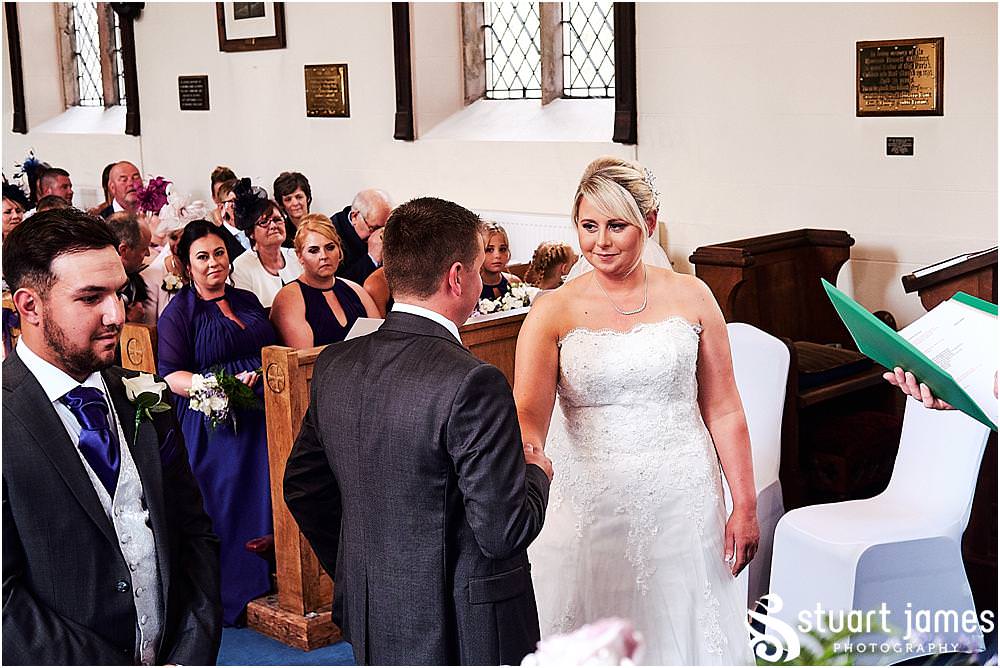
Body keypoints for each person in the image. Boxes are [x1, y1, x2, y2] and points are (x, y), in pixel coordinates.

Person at [283, 196, 553, 665]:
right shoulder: (474, 381)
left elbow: (303, 487)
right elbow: (503, 531)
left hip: (371, 606)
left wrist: (357, 566)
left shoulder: (336, 363)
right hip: (462, 623)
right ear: (457, 277)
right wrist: (536, 473)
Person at [513, 156, 758, 664]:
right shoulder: (551, 310)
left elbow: (725, 408)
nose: (600, 242)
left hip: (682, 495)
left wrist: (745, 504)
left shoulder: (693, 296)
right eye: (588, 226)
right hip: (588, 501)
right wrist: (522, 473)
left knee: (684, 628)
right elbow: (528, 415)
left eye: (617, 226)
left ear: (647, 224)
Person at [2, 208, 221, 664]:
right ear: (30, 306)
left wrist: (192, 650)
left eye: (119, 293)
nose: (115, 315)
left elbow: (192, 532)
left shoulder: (144, 393)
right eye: (90, 298)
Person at [157, 220, 276, 626]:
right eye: (203, 257)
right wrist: (219, 386)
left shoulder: (246, 299)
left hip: (265, 405)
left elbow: (272, 346)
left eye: (220, 253)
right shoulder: (180, 312)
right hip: (216, 418)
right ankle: (237, 589)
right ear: (186, 266)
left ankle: (280, 577)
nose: (214, 264)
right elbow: (172, 374)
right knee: (234, 484)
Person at [270, 215, 378, 347]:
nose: (324, 256)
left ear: (339, 249)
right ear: (300, 256)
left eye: (330, 247)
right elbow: (304, 359)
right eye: (313, 250)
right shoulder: (289, 299)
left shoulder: (356, 290)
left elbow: (380, 342)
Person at [140, 192, 210, 324]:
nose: (178, 243)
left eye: (184, 237)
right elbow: (150, 329)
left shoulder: (211, 268)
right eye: (173, 237)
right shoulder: (151, 277)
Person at [231, 192, 303, 309]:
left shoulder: (296, 256)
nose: (273, 226)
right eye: (264, 222)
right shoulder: (241, 267)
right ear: (251, 233)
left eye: (277, 219)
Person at [330, 188, 393, 284]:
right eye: (374, 228)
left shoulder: (378, 225)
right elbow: (337, 286)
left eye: (386, 227)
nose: (380, 234)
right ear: (354, 217)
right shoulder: (328, 237)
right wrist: (371, 258)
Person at [106, 212, 153, 323]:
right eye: (143, 249)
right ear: (124, 250)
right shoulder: (99, 286)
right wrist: (128, 322)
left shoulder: (135, 281)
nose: (148, 254)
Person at [479, 221, 522, 300]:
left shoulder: (514, 282)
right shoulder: (472, 289)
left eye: (502, 249)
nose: (497, 256)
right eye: (489, 250)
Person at [208, 178, 249, 260]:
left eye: (245, 201)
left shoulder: (256, 231)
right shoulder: (216, 238)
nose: (242, 207)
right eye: (235, 202)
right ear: (221, 207)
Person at [272, 171, 311, 246]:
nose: (295, 203)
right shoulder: (279, 235)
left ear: (307, 198)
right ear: (281, 204)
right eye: (288, 199)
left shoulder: (323, 226)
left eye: (299, 197)